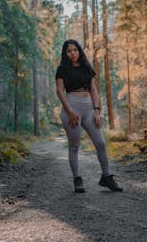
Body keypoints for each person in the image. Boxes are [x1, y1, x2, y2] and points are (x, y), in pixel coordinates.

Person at [55, 39, 122, 193]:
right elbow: (60, 91)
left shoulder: (86, 67)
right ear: (65, 53)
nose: (72, 53)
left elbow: (93, 89)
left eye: (75, 50)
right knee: (74, 146)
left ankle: (107, 176)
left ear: (79, 51)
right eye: (69, 51)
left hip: (88, 110)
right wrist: (70, 111)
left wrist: (97, 110)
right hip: (72, 107)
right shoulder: (62, 69)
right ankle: (77, 179)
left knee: (101, 143)